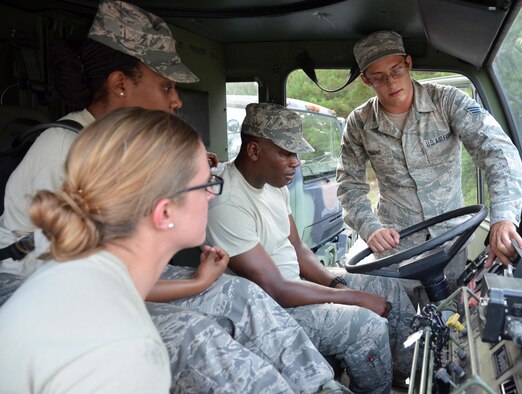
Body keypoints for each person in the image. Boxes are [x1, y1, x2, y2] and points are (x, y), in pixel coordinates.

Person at [0, 2, 341, 392]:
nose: (177, 101)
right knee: (193, 337)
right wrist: (195, 284)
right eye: (166, 86)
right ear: (119, 84)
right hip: (41, 290)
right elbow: (89, 278)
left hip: (105, 276)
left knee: (241, 294)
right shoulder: (63, 149)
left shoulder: (124, 146)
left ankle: (320, 386)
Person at [206, 102, 417, 393]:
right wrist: (352, 298)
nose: (296, 162)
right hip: (265, 311)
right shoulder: (226, 200)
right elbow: (276, 288)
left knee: (389, 287)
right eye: (286, 153)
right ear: (254, 151)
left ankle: (409, 378)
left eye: (297, 153)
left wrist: (336, 284)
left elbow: (297, 247)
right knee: (367, 327)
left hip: (292, 285)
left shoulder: (275, 184)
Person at [0, 108, 199, 391]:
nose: (211, 194)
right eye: (207, 184)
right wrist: (197, 282)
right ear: (164, 211)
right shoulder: (127, 349)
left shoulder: (74, 278)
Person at [336, 30, 522, 303]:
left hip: (450, 243)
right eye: (379, 78)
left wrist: (504, 217)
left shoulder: (447, 101)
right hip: (395, 249)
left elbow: (498, 153)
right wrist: (370, 228)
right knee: (400, 326)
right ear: (366, 80)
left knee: (452, 322)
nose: (392, 83)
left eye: (397, 70)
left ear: (409, 63)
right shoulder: (359, 123)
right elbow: (348, 186)